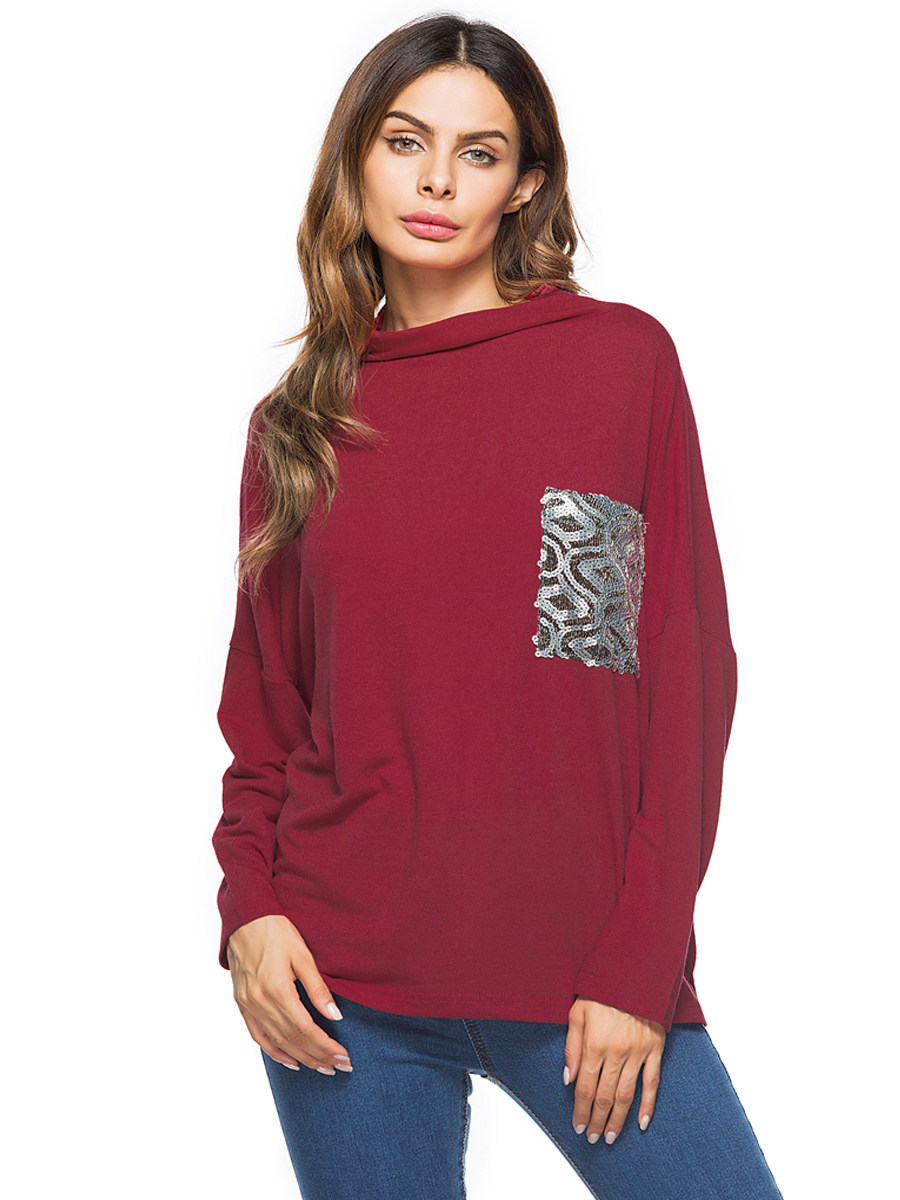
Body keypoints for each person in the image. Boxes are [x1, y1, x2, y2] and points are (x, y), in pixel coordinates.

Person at [212, 12, 784, 1199]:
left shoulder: (612, 365)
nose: (435, 181)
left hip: (584, 979)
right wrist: (249, 912)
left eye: (478, 153)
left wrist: (639, 963)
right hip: (341, 987)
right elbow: (267, 718)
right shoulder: (297, 425)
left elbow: (676, 672)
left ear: (524, 184)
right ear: (355, 161)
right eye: (404, 141)